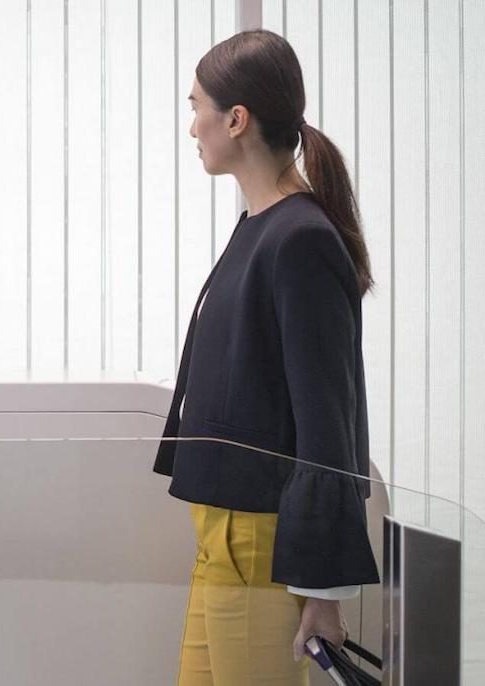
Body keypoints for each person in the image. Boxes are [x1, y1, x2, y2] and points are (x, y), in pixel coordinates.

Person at [152, 29, 380, 685]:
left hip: (259, 544)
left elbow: (327, 419)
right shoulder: (260, 225)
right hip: (220, 540)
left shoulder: (300, 238)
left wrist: (324, 593)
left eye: (196, 107)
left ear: (236, 119)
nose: (192, 126)